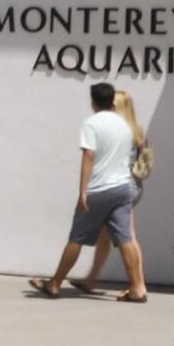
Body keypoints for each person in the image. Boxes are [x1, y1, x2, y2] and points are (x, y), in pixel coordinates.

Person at [29, 83, 147, 303]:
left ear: (93, 102)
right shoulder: (125, 126)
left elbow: (89, 156)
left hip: (99, 189)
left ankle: (54, 284)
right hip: (122, 188)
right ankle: (137, 288)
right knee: (125, 238)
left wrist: (83, 191)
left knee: (77, 238)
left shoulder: (91, 124)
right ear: (112, 102)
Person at [68, 90, 146, 294]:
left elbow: (95, 156)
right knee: (106, 236)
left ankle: (139, 285)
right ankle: (92, 278)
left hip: (120, 185)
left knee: (128, 237)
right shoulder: (134, 129)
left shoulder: (121, 130)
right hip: (131, 185)